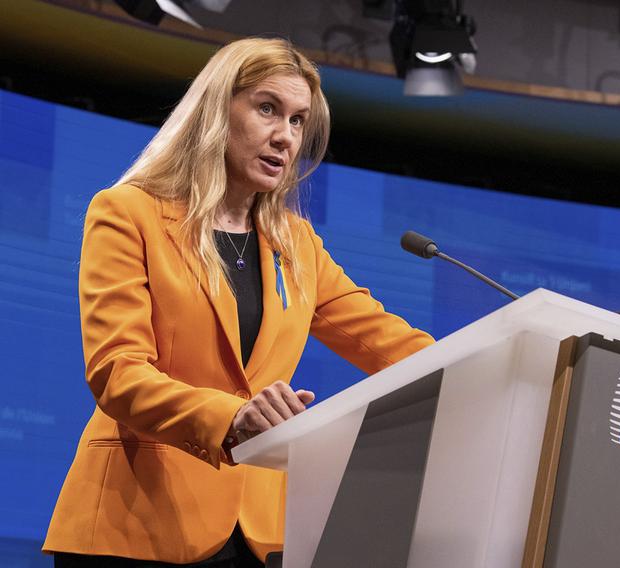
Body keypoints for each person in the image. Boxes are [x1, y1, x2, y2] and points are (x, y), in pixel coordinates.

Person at [42, 38, 433, 567]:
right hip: (135, 528)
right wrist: (233, 417)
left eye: (298, 121)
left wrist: (512, 362)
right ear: (216, 111)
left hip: (255, 538)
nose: (284, 137)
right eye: (268, 109)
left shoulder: (296, 246)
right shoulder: (127, 213)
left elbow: (389, 343)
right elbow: (118, 373)